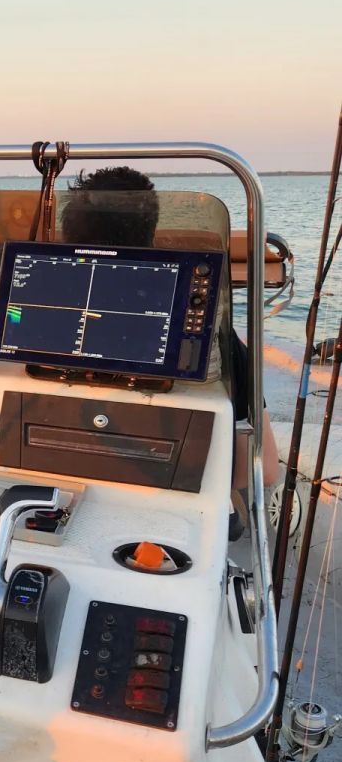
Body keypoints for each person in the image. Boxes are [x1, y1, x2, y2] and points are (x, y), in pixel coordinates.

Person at [61, 167, 281, 517]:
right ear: (151, 234)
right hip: (169, 508)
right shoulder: (211, 339)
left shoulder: (29, 317)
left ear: (66, 237)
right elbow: (263, 468)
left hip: (56, 494)